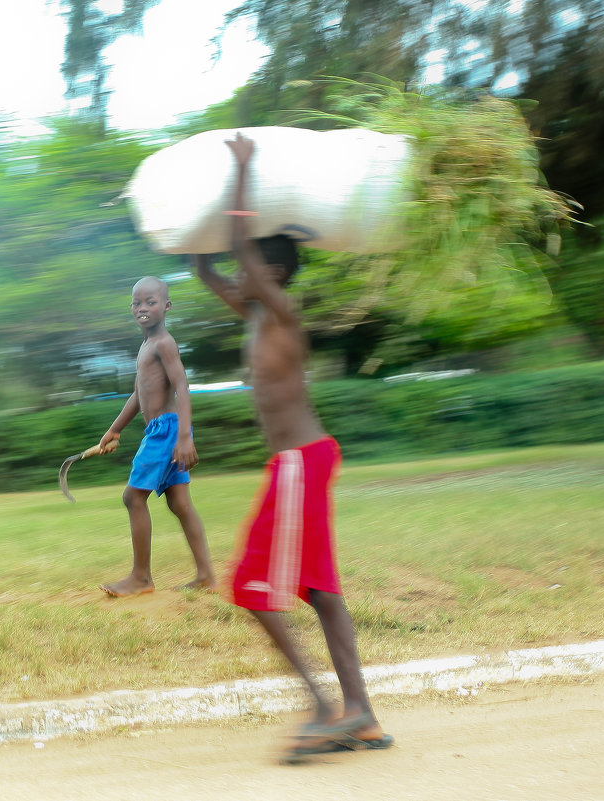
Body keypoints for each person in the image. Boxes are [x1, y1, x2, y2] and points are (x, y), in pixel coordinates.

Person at [193, 133, 391, 761]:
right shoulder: (253, 312)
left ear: (270, 273)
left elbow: (245, 254)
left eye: (249, 267)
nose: (238, 276)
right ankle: (359, 714)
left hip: (301, 464)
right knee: (321, 590)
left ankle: (324, 709)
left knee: (250, 585)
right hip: (302, 461)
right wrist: (195, 242)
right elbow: (207, 270)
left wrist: (244, 172)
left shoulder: (280, 310)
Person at [95, 276, 216, 598]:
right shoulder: (146, 346)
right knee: (180, 503)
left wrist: (185, 437)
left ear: (166, 306)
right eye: (137, 302)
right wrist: (115, 428)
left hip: (167, 431)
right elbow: (139, 394)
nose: (143, 308)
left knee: (133, 497)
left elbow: (182, 386)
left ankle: (141, 578)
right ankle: (206, 575)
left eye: (151, 301)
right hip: (162, 429)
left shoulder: (164, 343)